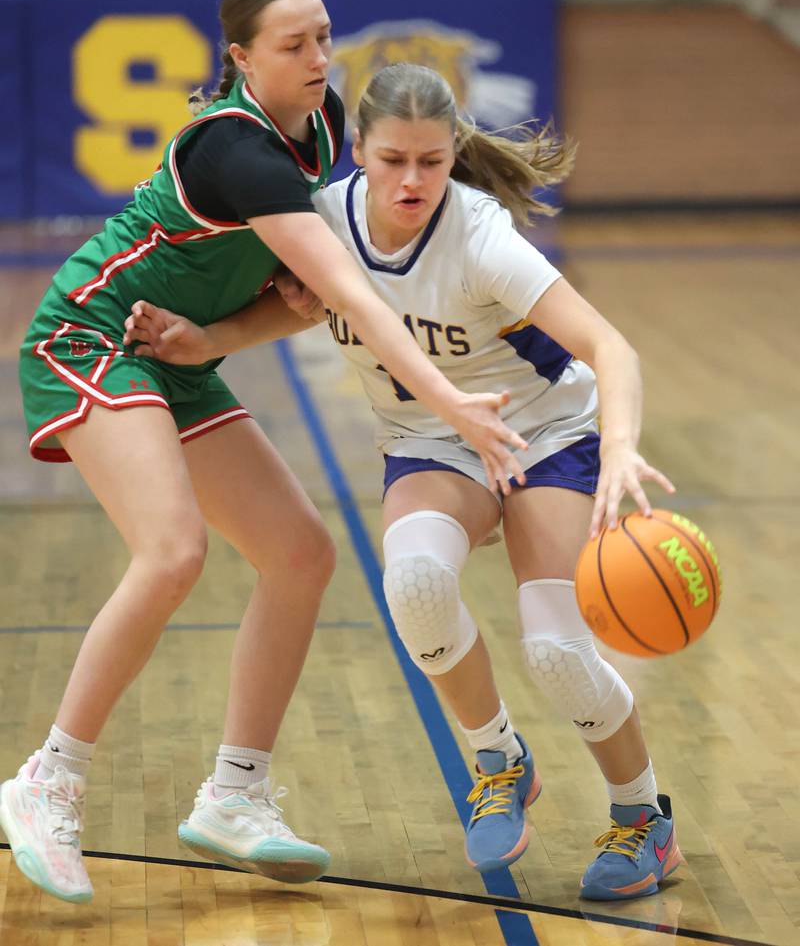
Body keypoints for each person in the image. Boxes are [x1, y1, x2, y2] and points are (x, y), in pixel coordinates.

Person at [0, 0, 529, 907]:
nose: (320, 59)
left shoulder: (319, 132)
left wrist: (228, 329)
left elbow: (313, 293)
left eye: (324, 37)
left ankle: (236, 791)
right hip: (93, 333)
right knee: (172, 553)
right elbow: (354, 292)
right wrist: (452, 401)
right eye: (294, 46)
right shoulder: (236, 151)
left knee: (300, 553)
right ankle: (47, 781)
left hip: (173, 349)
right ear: (242, 58)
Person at [123, 61, 685, 902]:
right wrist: (207, 340)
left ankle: (643, 817)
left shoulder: (481, 233)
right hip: (432, 437)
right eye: (393, 160)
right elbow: (304, 304)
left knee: (558, 648)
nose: (413, 179)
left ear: (453, 152)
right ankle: (497, 756)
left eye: (430, 159)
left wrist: (623, 446)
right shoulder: (324, 219)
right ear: (358, 150)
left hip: (543, 434)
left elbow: (613, 349)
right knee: (415, 580)